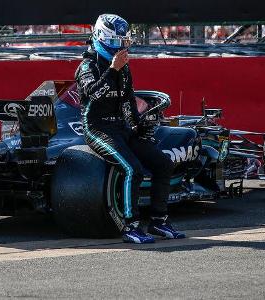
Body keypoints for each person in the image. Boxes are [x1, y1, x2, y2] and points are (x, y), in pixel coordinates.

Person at [75, 14, 185, 244]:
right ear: (103, 38)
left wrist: (137, 125)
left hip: (121, 127)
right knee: (132, 169)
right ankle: (130, 225)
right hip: (97, 128)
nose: (122, 47)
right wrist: (113, 70)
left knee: (163, 163)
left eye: (124, 41)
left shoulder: (123, 67)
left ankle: (158, 220)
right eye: (117, 42)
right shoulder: (87, 65)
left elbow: (127, 101)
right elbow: (93, 94)